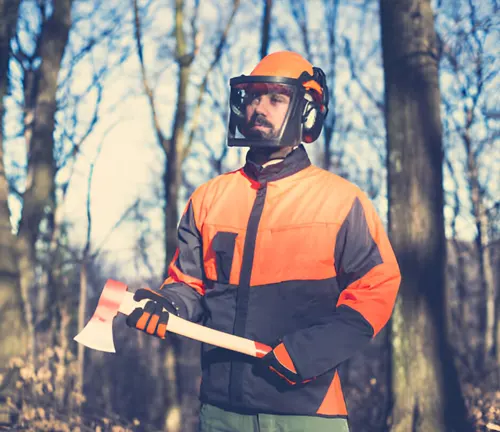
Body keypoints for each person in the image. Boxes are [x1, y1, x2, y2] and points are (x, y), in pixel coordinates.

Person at [126, 51, 401, 432]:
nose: (259, 107)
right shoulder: (209, 197)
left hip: (309, 412)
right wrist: (167, 303)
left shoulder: (341, 201)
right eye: (254, 96)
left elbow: (376, 289)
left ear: (307, 111)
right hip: (221, 411)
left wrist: (307, 354)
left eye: (275, 98)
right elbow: (190, 284)